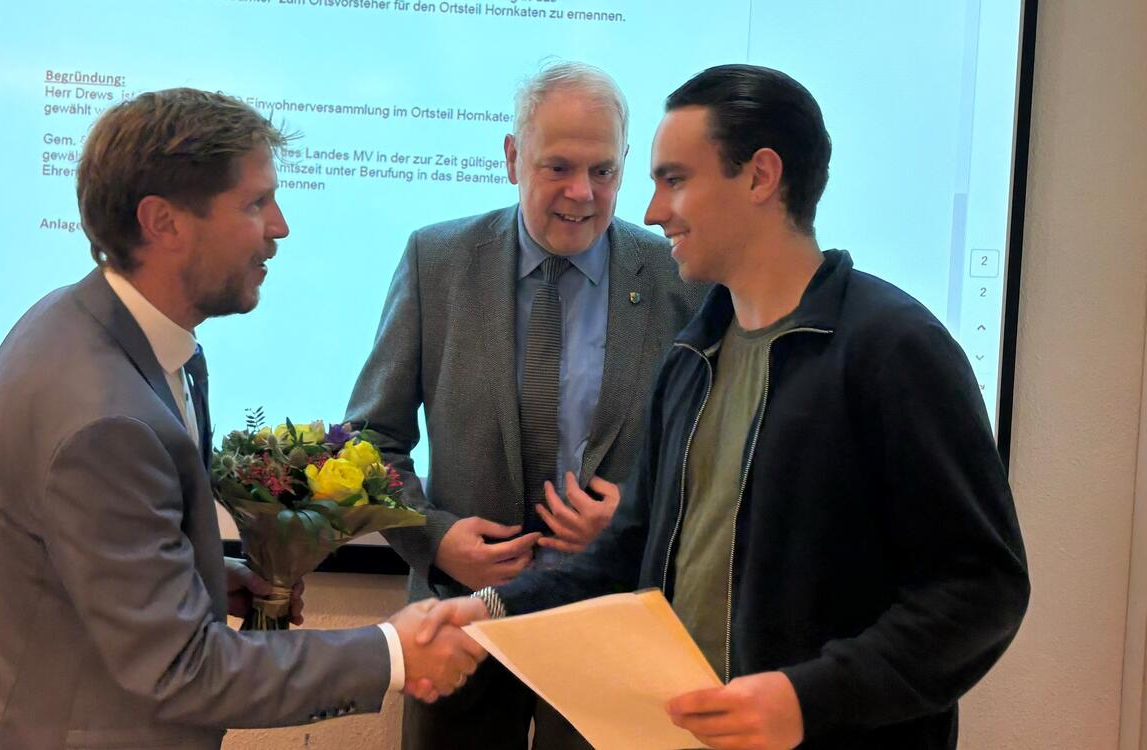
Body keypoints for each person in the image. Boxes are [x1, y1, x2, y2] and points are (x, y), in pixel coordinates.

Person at [427, 64, 1031, 749]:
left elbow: (981, 591)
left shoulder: (895, 348)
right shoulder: (694, 353)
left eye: (675, 180)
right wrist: (485, 611)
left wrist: (806, 699)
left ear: (760, 176)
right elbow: (628, 554)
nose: (652, 211)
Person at [0, 88, 485, 750]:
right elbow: (181, 669)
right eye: (256, 203)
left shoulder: (89, 323)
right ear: (163, 222)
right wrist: (393, 653)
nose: (280, 227)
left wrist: (204, 578)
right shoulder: (105, 420)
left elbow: (86, 562)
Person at [345, 62, 706, 749]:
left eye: (603, 171)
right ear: (513, 158)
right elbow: (368, 440)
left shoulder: (676, 275)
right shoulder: (436, 260)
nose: (582, 193)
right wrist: (435, 539)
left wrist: (637, 523)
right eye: (558, 167)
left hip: (612, 630)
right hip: (462, 627)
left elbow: (716, 451)